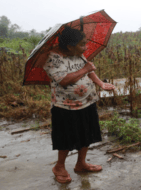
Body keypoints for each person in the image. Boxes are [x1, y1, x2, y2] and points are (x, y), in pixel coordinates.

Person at [42, 26, 116, 184]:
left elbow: (90, 71)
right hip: (65, 107)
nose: (85, 47)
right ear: (69, 46)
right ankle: (59, 167)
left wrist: (101, 84)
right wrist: (84, 69)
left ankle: (81, 163)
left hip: (87, 102)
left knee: (86, 134)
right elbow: (64, 80)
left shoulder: (78, 54)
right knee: (66, 139)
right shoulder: (53, 58)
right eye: (82, 44)